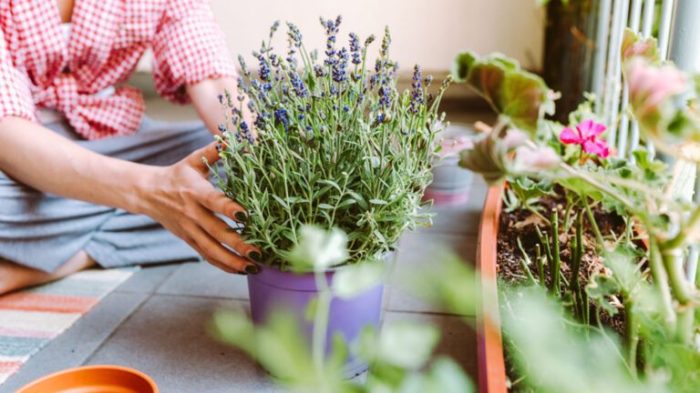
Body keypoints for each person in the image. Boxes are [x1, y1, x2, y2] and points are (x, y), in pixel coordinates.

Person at [0, 0, 260, 295]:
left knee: (228, 164)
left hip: (112, 137)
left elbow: (212, 81)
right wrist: (152, 190)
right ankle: (121, 232)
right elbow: (5, 129)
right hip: (16, 151)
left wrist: (262, 163)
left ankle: (65, 258)